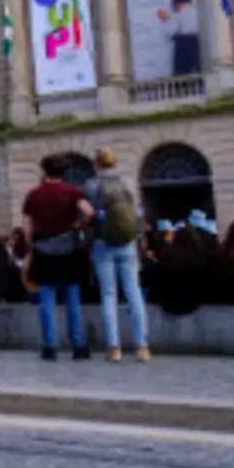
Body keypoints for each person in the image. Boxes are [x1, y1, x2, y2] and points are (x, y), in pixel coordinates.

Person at [22, 154, 95, 361]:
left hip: (43, 250)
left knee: (46, 298)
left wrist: (31, 246)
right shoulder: (72, 192)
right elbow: (89, 212)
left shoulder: (33, 195)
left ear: (44, 171)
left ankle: (50, 346)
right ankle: (78, 345)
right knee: (72, 298)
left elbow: (27, 228)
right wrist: (78, 225)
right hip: (68, 249)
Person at [82, 148, 149, 362]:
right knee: (134, 292)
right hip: (127, 243)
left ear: (96, 164)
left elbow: (86, 216)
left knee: (109, 294)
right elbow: (138, 212)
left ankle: (114, 347)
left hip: (102, 243)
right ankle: (142, 346)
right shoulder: (127, 182)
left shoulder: (91, 186)